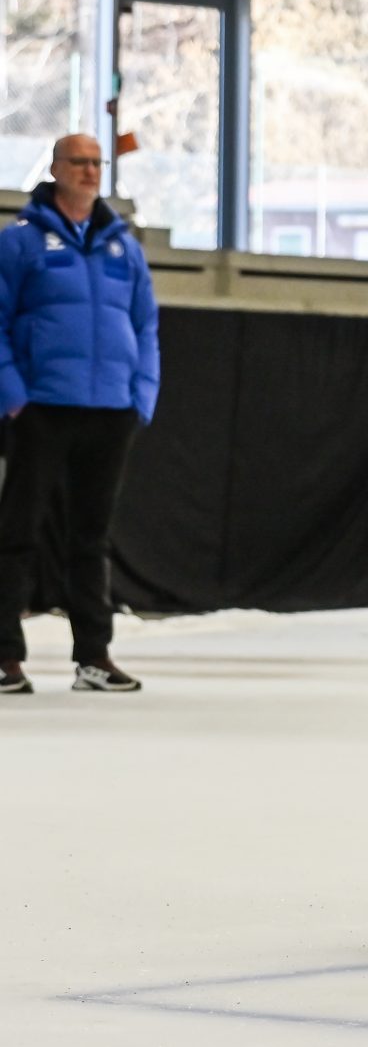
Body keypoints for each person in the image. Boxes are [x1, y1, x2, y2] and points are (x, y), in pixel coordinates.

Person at [0, 134, 160, 695]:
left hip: (110, 410)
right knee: (16, 533)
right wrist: (14, 394)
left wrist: (142, 394)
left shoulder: (125, 246)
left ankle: (94, 657)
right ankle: (5, 659)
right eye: (80, 162)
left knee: (91, 538)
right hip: (41, 407)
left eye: (97, 162)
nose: (90, 171)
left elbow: (146, 325)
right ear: (55, 169)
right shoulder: (19, 242)